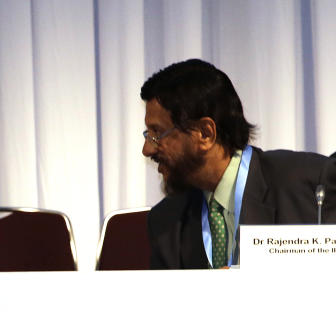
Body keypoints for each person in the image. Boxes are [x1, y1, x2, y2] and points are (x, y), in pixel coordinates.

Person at [141, 59, 336, 269]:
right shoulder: (167, 221)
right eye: (148, 134)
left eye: (158, 133)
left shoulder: (312, 186)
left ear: (205, 133)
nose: (147, 149)